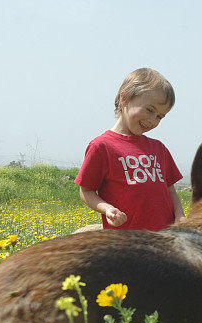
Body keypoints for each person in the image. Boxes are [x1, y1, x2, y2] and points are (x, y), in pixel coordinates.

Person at [75, 67, 186, 232]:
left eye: (160, 116)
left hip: (164, 240)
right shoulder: (102, 146)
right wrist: (106, 209)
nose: (153, 121)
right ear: (125, 98)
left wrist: (180, 216)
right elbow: (86, 191)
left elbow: (171, 191)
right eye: (150, 110)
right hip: (127, 243)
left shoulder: (159, 149)